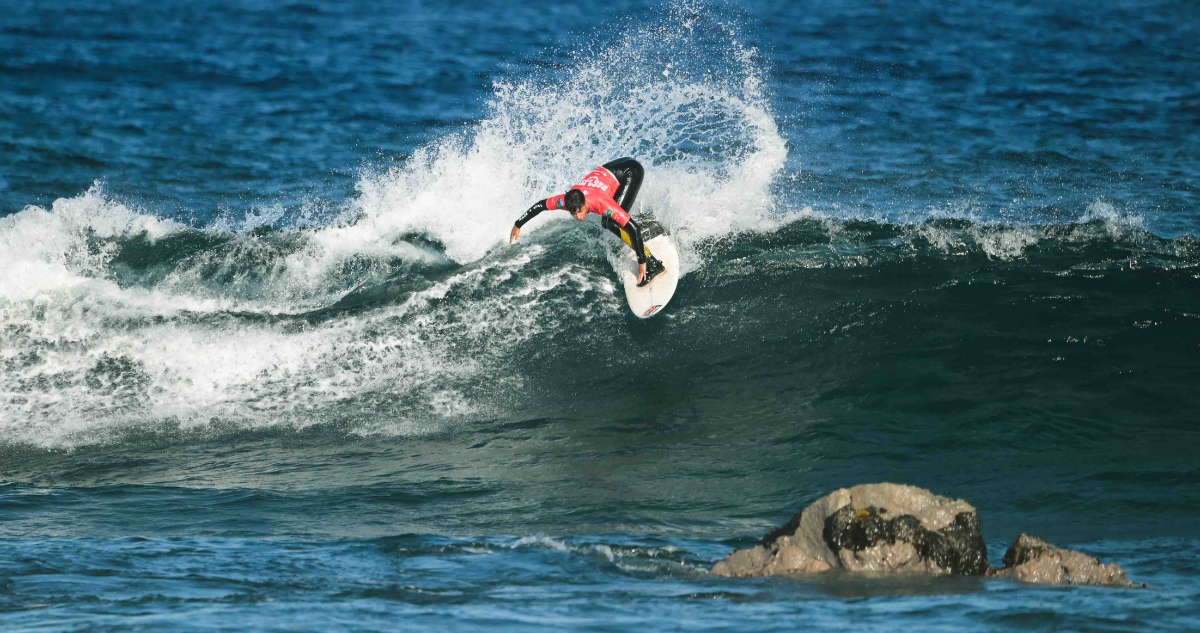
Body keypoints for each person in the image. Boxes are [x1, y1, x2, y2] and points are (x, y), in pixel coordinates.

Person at [509, 157, 666, 286]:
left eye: (580, 211)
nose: (578, 216)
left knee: (612, 222)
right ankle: (647, 221)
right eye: (574, 214)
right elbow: (540, 205)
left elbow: (634, 229)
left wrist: (642, 262)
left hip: (631, 171)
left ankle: (654, 264)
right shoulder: (566, 201)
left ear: (586, 203)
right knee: (607, 223)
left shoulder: (601, 203)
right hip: (611, 171)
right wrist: (518, 224)